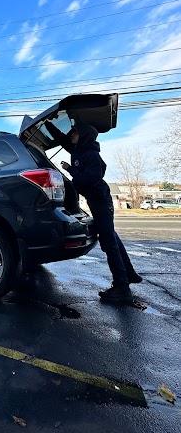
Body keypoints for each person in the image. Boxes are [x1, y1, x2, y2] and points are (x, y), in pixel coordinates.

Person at [45, 120, 142, 304]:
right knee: (111, 236)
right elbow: (60, 138)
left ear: (84, 135)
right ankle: (129, 274)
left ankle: (122, 288)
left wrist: (70, 169)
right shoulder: (77, 150)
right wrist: (47, 124)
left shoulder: (91, 155)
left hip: (102, 201)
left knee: (108, 243)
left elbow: (90, 179)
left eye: (74, 132)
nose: (71, 135)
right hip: (96, 201)